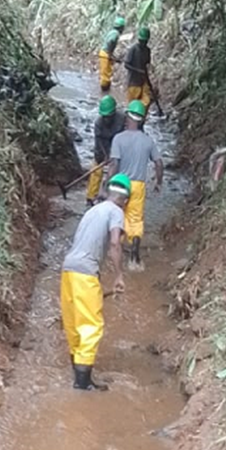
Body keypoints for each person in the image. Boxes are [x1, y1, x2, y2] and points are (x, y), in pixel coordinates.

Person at [61, 174, 129, 391]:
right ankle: (82, 384)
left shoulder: (93, 210)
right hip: (86, 272)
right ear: (125, 200)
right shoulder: (116, 211)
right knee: (91, 326)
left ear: (108, 191)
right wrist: (119, 275)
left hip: (68, 269)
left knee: (74, 323)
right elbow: (115, 244)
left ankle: (79, 374)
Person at [105, 100, 162, 269]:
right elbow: (159, 163)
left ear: (127, 117)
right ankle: (134, 256)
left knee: (117, 216)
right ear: (142, 119)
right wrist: (158, 182)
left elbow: (114, 164)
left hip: (120, 184)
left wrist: (106, 185)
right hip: (138, 185)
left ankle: (115, 254)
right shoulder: (148, 141)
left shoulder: (118, 139)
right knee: (136, 219)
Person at [85, 96, 125, 206]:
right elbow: (99, 142)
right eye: (105, 117)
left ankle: (112, 196)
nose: (106, 119)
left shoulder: (122, 119)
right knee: (96, 171)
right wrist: (105, 155)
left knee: (117, 172)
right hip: (102, 147)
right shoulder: (98, 123)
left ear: (113, 113)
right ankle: (91, 197)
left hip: (117, 147)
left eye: (109, 117)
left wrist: (116, 153)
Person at [124, 26, 153, 113]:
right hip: (133, 82)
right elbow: (126, 65)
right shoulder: (133, 49)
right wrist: (138, 70)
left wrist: (148, 80)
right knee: (132, 105)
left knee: (146, 102)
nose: (143, 43)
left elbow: (146, 65)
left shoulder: (147, 51)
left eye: (145, 41)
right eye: (141, 41)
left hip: (143, 81)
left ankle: (141, 118)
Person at [98, 17, 127, 94]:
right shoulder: (116, 34)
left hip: (104, 53)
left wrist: (112, 55)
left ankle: (105, 89)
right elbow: (111, 41)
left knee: (106, 71)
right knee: (105, 74)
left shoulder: (112, 32)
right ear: (121, 27)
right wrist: (110, 53)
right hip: (105, 53)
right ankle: (104, 91)